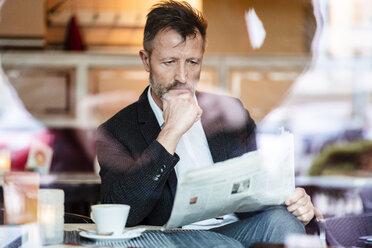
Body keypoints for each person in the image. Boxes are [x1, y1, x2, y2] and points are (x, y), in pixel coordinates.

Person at [96, 1, 317, 246]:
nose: (182, 76)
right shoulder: (115, 131)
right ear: (146, 60)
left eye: (192, 62)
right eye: (169, 62)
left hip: (234, 229)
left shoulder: (229, 113)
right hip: (169, 238)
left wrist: (295, 202)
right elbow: (120, 212)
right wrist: (170, 132)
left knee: (285, 223)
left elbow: (263, 183)